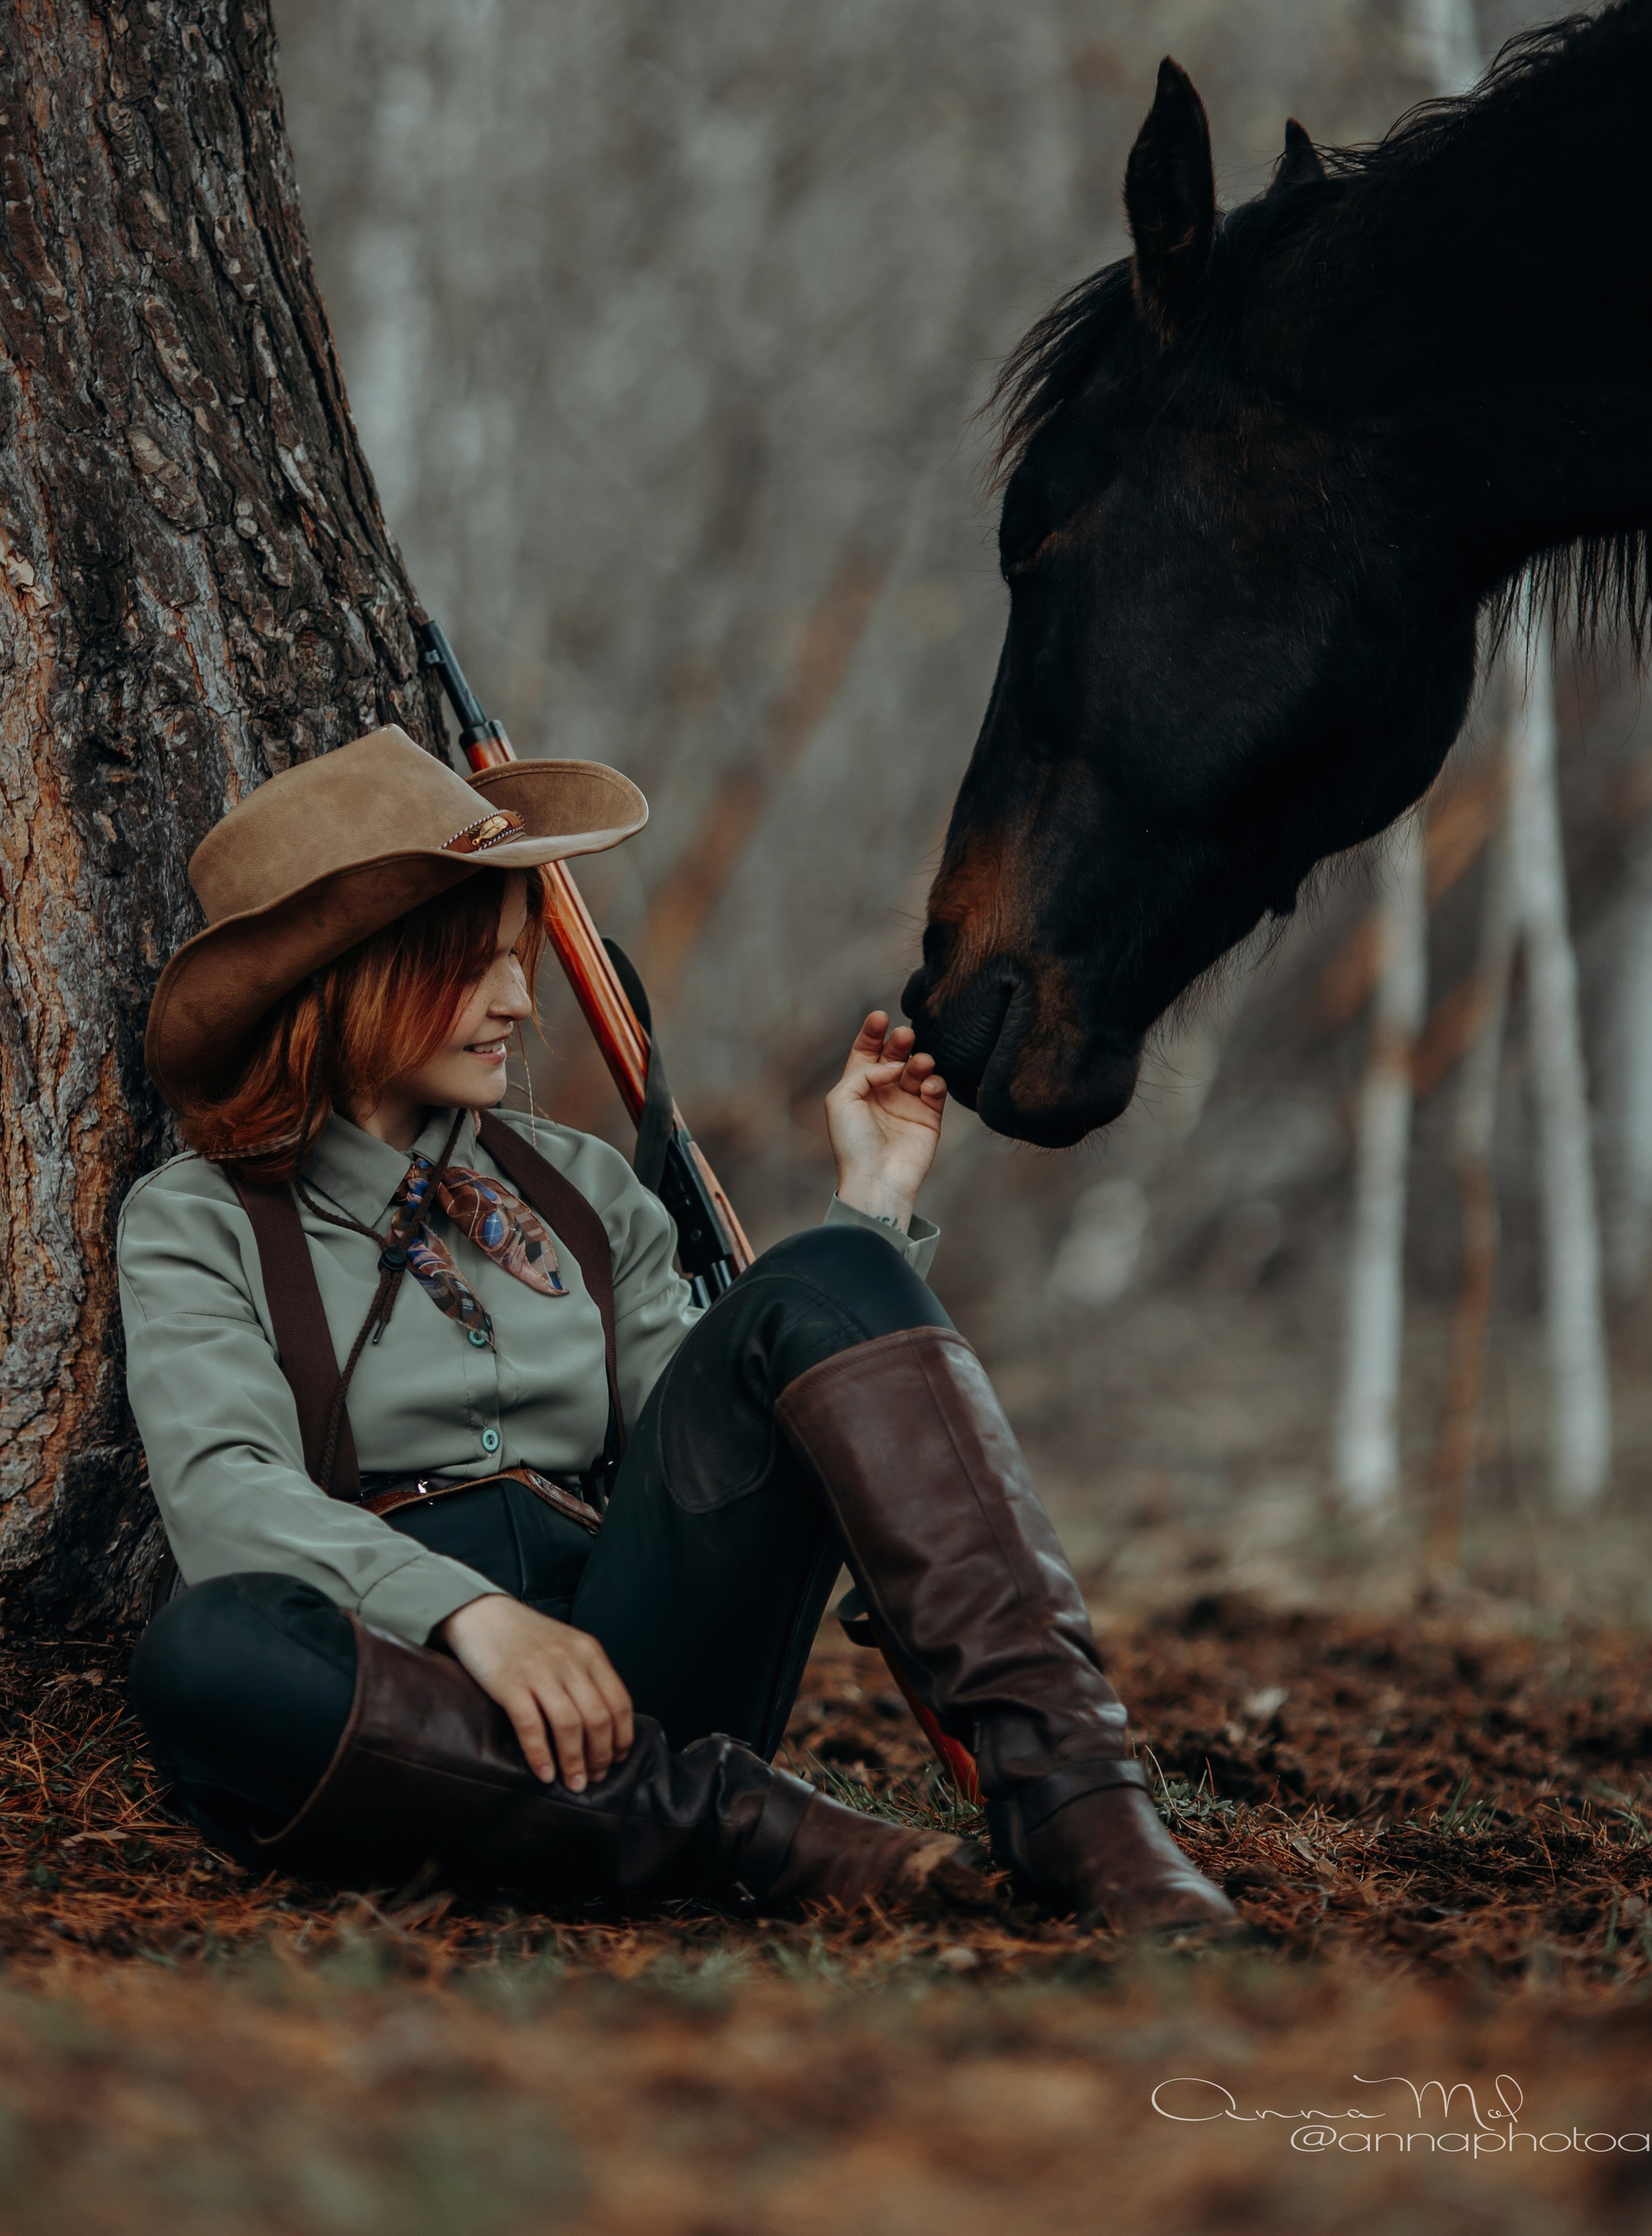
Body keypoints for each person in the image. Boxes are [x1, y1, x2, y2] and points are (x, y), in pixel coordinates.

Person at [121, 724, 1232, 1932]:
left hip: (634, 1667)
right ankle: (750, 1827)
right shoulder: (197, 1218)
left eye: (517, 957)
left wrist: (870, 1208)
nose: (517, 1001)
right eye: (474, 967)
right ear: (354, 980)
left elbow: (728, 1444)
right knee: (206, 1652)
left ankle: (1084, 1805)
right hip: (401, 1694)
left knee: (815, 1279)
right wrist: (468, 1615)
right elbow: (225, 1490)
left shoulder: (585, 1186)